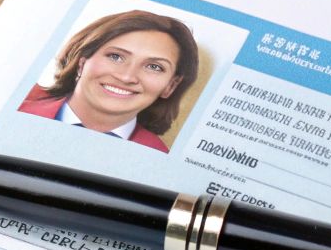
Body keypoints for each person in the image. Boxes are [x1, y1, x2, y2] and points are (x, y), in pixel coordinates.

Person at [18, 10, 201, 152]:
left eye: (154, 67)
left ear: (170, 86)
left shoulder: (162, 160)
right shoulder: (16, 112)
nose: (127, 77)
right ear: (82, 62)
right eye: (115, 56)